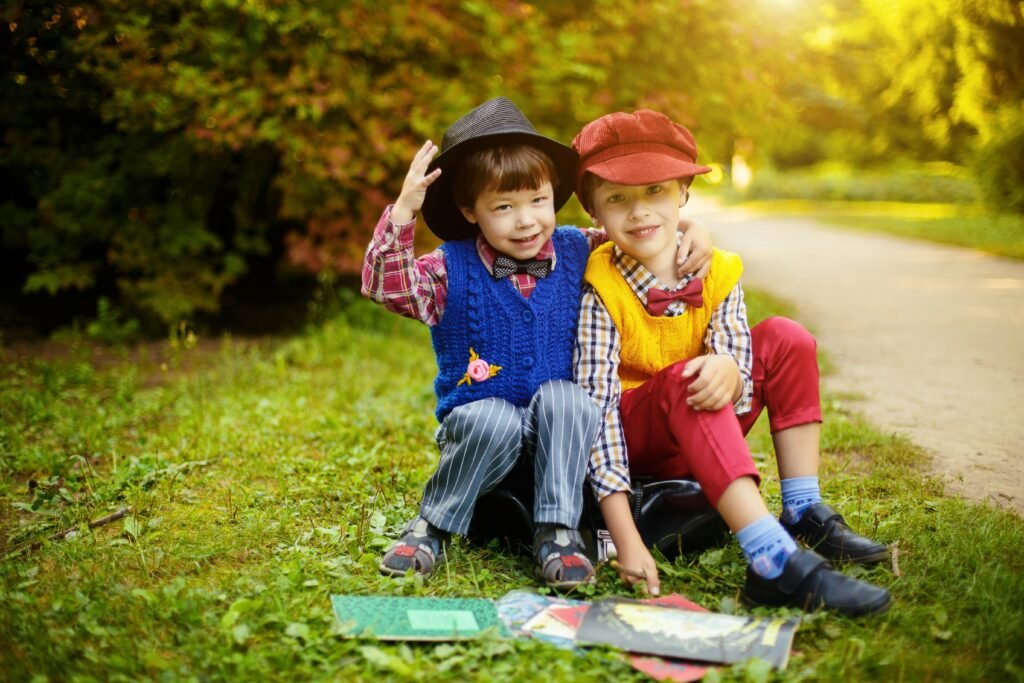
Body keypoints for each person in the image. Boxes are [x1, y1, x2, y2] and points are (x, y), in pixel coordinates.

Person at [360, 98, 713, 589]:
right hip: (485, 442)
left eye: (537, 201)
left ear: (553, 196)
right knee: (492, 416)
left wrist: (693, 227)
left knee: (569, 398)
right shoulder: (449, 267)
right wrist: (403, 213)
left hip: (562, 443)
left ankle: (559, 529)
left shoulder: (579, 248)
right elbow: (387, 286)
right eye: (503, 208)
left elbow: (636, 235)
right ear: (470, 211)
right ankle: (432, 525)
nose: (526, 221)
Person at [572, 109, 891, 615]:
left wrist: (730, 367)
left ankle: (803, 507)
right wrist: (623, 536)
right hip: (639, 436)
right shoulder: (601, 288)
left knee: (786, 336)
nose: (639, 213)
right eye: (617, 199)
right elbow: (598, 417)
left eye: (656, 191)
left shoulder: (717, 270)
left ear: (683, 195)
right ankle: (771, 561)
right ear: (595, 216)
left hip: (702, 418)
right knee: (689, 378)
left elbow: (738, 374)